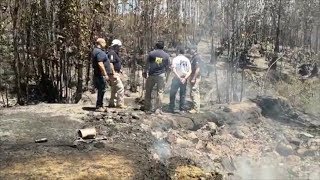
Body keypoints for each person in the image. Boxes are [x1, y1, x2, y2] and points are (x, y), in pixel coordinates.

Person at [143, 41, 170, 113]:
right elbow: (168, 68)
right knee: (160, 92)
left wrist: (145, 72)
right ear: (163, 47)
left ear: (156, 46)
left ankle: (147, 107)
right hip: (161, 75)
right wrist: (167, 77)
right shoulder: (166, 55)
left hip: (152, 75)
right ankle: (158, 109)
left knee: (148, 91)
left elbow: (147, 64)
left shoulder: (151, 54)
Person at [169, 47, 192, 113]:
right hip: (184, 79)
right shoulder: (187, 60)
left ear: (178, 51)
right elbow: (190, 71)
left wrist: (179, 78)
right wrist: (184, 78)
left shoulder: (175, 59)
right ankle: (182, 109)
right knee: (182, 94)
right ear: (184, 52)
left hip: (177, 78)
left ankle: (171, 108)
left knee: (173, 93)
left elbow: (173, 69)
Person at [92, 38, 111, 112]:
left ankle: (100, 105)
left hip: (98, 74)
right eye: (104, 42)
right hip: (100, 75)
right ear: (100, 43)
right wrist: (105, 74)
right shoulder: (99, 52)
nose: (105, 43)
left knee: (101, 90)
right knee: (102, 90)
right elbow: (100, 64)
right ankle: (99, 106)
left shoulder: (95, 51)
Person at [108, 39, 126, 108]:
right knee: (120, 88)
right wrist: (113, 73)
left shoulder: (115, 53)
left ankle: (112, 103)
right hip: (114, 73)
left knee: (114, 89)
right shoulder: (112, 53)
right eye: (118, 46)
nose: (119, 48)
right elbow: (111, 63)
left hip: (116, 72)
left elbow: (116, 63)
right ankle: (120, 104)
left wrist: (120, 70)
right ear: (115, 46)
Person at [188, 47, 201, 114]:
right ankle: (194, 107)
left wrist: (194, 78)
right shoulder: (193, 57)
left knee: (194, 92)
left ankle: (196, 109)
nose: (190, 50)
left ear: (195, 49)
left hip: (195, 77)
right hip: (192, 76)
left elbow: (197, 69)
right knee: (192, 93)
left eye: (191, 49)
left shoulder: (197, 57)